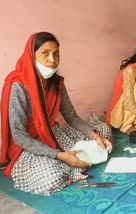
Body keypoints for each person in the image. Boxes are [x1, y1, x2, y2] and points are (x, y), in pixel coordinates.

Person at [0, 32, 113, 195]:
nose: (52, 60)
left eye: (56, 54)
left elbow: (72, 118)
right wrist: (59, 155)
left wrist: (96, 137)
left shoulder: (57, 84)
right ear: (31, 55)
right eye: (45, 53)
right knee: (51, 176)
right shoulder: (18, 85)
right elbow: (19, 135)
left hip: (51, 134)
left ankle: (71, 161)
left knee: (103, 130)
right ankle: (66, 163)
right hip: (27, 145)